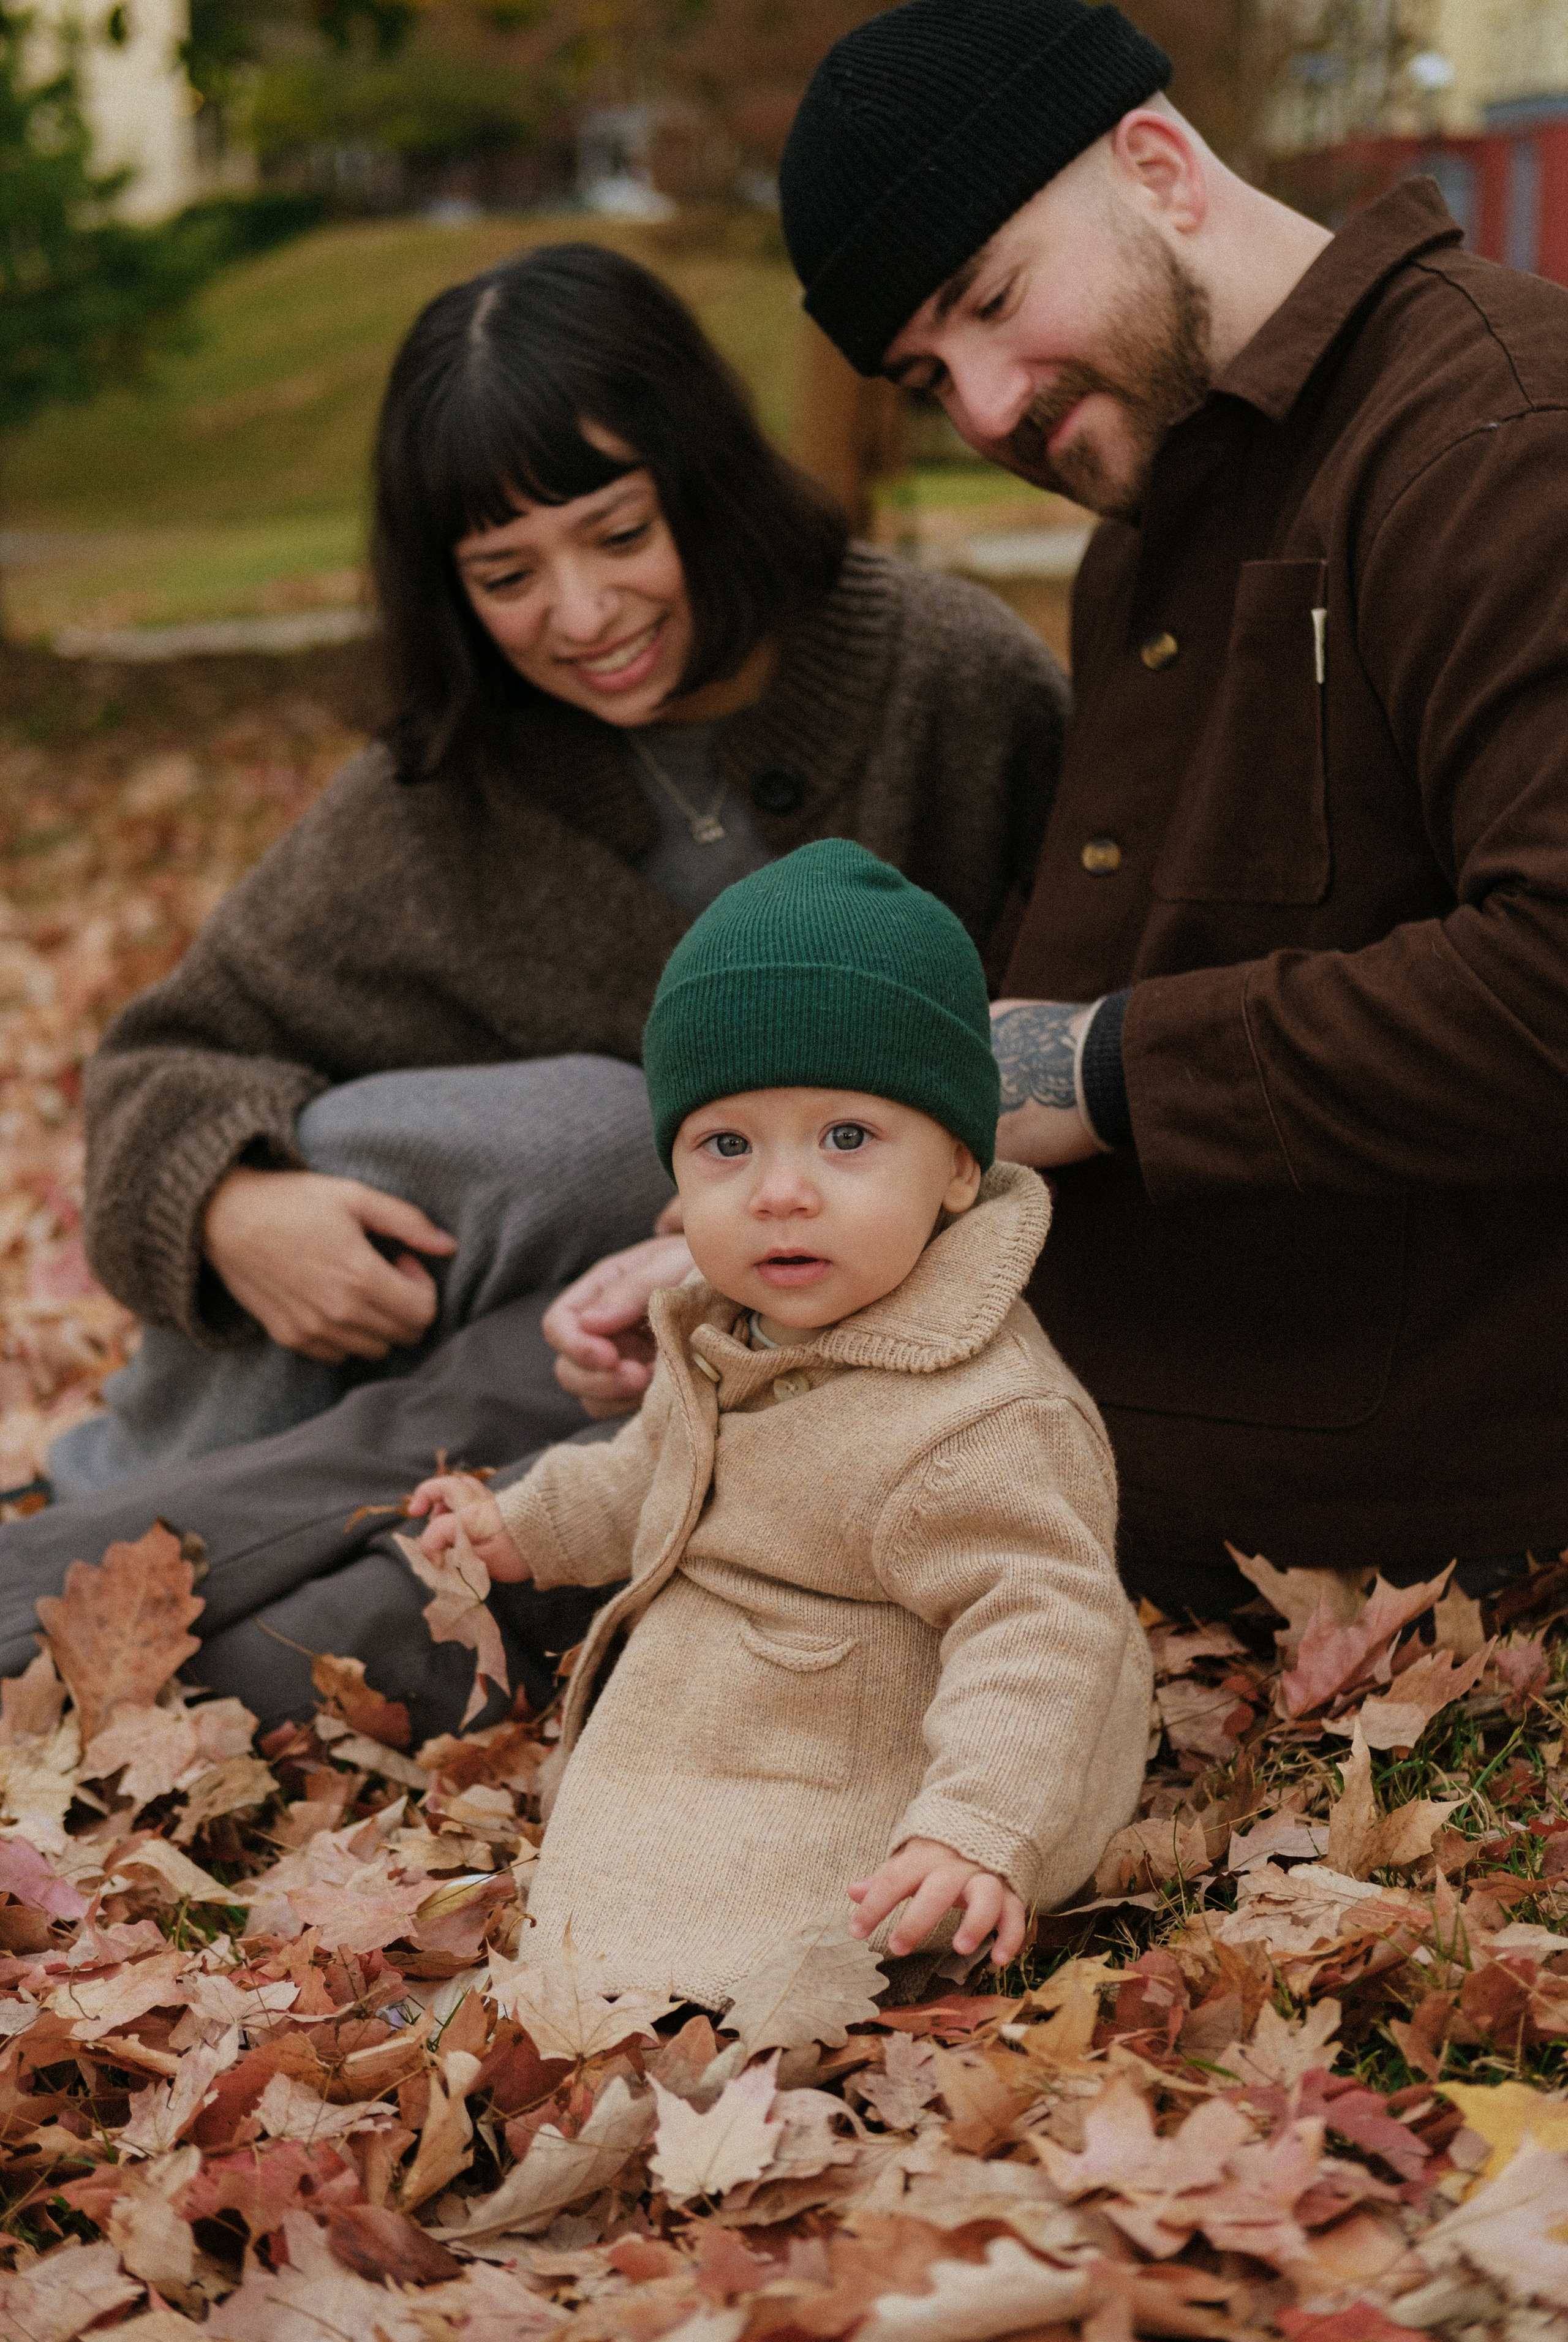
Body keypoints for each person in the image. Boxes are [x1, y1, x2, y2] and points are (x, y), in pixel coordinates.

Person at [0, 240, 1067, 1734]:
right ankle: (107, 1536)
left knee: (385, 1616)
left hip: (761, 1359)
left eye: (618, 535)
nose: (579, 614)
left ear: (702, 481)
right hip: (458, 1325)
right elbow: (157, 1066)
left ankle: (103, 1626)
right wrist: (229, 1203)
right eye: (506, 576)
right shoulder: (440, 794)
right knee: (597, 1135)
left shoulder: (946, 677)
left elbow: (1082, 1017)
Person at [768, 0, 1568, 1617]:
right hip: (1068, 1396)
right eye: (927, 377)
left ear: (1157, 165)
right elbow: (1062, 1009)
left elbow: (1551, 982)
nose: (983, 407)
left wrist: (1103, 1068)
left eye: (993, 302)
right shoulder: (1145, 529)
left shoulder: (1496, 436)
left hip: (1342, 1490)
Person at [407, 842, 1149, 1995]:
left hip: (891, 1760)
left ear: (959, 1167)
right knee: (595, 1935)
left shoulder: (986, 1415)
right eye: (727, 1145)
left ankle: (761, 1961)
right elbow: (654, 1470)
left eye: (847, 1137)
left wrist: (975, 1824)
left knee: (728, 1975)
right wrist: (524, 1524)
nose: (781, 1191)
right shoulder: (728, 1329)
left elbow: (1043, 1629)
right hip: (722, 1710)